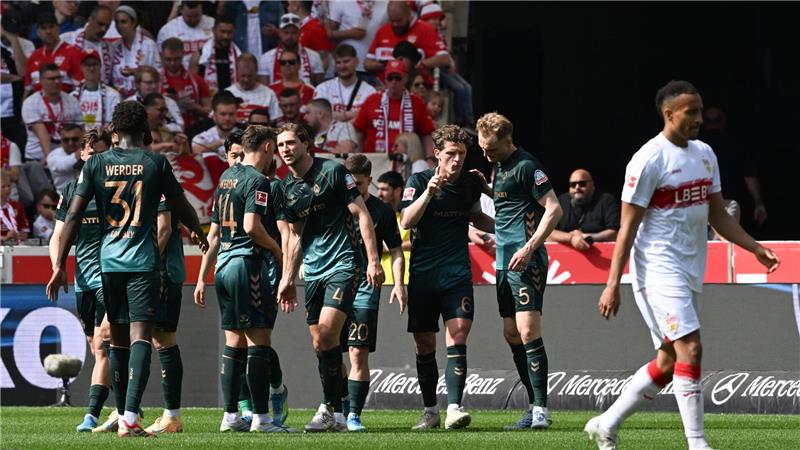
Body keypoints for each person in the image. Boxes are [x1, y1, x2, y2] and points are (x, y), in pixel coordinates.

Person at [584, 80, 780, 450]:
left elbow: (718, 215)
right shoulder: (648, 159)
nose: (699, 119)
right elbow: (627, 228)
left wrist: (754, 248)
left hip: (691, 268)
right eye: (691, 112)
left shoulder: (705, 154)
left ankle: (606, 424)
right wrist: (612, 283)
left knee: (669, 361)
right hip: (658, 269)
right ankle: (697, 443)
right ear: (668, 114)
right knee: (691, 346)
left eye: (700, 111)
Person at [46, 100, 208, 438]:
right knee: (140, 337)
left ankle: (122, 415)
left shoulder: (96, 163)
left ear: (114, 130)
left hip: (108, 261)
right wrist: (197, 230)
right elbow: (180, 205)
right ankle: (130, 419)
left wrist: (59, 264)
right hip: (142, 260)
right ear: (144, 129)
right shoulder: (155, 162)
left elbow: (73, 216)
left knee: (116, 341)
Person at [276, 123, 384, 432]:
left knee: (326, 334)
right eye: (281, 144)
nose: (285, 149)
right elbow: (295, 237)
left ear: (306, 144)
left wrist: (373, 261)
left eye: (291, 142)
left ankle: (327, 409)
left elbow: (362, 214)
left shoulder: (333, 172)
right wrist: (287, 278)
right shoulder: (286, 188)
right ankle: (339, 412)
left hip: (344, 264)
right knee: (322, 344)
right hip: (313, 271)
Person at [398, 124, 494, 430]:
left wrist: (505, 222)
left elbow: (477, 217)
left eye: (462, 154)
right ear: (437, 153)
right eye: (451, 153)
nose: (457, 160)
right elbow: (406, 221)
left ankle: (454, 407)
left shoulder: (470, 183)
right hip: (424, 275)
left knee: (459, 334)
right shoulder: (419, 181)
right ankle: (431, 410)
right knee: (425, 344)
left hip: (457, 272)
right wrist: (428, 194)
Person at [194, 125, 287, 433]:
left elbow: (215, 232)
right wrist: (276, 250)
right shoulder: (258, 180)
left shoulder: (226, 177)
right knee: (259, 341)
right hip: (247, 264)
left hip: (223, 265)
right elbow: (251, 226)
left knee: (233, 343)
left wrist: (203, 275)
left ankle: (231, 415)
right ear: (268, 147)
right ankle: (262, 418)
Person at [474, 112, 562, 429]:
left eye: (491, 149)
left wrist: (529, 248)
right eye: (483, 149)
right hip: (503, 261)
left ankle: (541, 410)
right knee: (511, 333)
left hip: (526, 260)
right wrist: (485, 188)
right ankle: (532, 404)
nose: (486, 155)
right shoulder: (498, 167)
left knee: (527, 332)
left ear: (509, 141)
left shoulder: (527, 165)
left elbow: (554, 209)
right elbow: (510, 202)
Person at [49, 127, 112, 432]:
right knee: (95, 344)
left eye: (103, 152)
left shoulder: (116, 189)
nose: (98, 157)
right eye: (93, 152)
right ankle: (126, 407)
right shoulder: (72, 190)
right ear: (83, 154)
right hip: (83, 278)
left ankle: (94, 414)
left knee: (103, 344)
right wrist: (57, 266)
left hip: (111, 275)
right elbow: (58, 235)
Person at [341, 155, 406, 431]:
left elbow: (396, 251)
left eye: (359, 184)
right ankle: (340, 406)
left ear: (369, 180)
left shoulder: (382, 211)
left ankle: (354, 415)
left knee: (357, 351)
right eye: (350, 183)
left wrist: (399, 284)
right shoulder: (336, 204)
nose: (354, 189)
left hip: (366, 284)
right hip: (336, 281)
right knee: (329, 350)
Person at [700, 106, 768, 233]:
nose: (713, 124)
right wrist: (758, 202)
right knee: (720, 244)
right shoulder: (735, 145)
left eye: (715, 120)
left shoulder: (693, 146)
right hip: (710, 205)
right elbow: (750, 177)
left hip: (712, 205)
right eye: (710, 120)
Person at [353, 60, 435, 154]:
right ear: (385, 80)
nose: (394, 82)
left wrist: (430, 158)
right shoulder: (371, 100)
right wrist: (357, 157)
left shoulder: (417, 103)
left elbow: (427, 135)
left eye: (398, 78)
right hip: (375, 160)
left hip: (407, 159)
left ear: (405, 79)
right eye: (390, 78)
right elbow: (359, 133)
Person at [364, 1, 449, 81]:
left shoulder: (426, 29)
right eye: (392, 21)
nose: (395, 24)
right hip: (384, 86)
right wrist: (380, 66)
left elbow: (444, 59)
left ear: (409, 14)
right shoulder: (383, 31)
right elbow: (367, 63)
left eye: (399, 20)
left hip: (416, 86)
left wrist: (417, 65)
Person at [22, 63, 82, 162]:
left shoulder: (72, 101)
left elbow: (80, 130)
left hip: (68, 156)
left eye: (59, 78)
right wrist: (50, 159)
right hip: (38, 157)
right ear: (41, 81)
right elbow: (41, 132)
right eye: (52, 79)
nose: (57, 82)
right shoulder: (30, 102)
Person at [548, 169, 620, 250]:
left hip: (601, 252)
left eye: (582, 184)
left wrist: (585, 237)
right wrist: (571, 238)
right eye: (573, 185)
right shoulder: (561, 201)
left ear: (592, 184)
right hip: (563, 254)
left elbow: (615, 233)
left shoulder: (606, 200)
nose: (577, 187)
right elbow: (548, 233)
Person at [313, 44, 376, 123]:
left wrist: (336, 115)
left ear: (357, 61)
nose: (342, 66)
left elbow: (370, 117)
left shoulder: (369, 91)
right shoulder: (322, 88)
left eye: (346, 61)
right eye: (338, 63)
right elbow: (317, 116)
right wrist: (354, 114)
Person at [258, 13, 324, 86]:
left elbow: (319, 87)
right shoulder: (266, 58)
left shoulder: (314, 56)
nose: (289, 37)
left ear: (299, 33)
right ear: (280, 33)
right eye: (286, 32)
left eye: (293, 33)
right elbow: (264, 89)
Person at [24, 13, 84, 93]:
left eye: (51, 26)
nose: (48, 31)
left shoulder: (74, 53)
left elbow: (81, 86)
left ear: (58, 29)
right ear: (38, 32)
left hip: (65, 99)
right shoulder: (33, 56)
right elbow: (28, 90)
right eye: (44, 28)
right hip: (38, 100)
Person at [109, 6, 160, 98]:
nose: (119, 26)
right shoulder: (114, 46)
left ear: (134, 23)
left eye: (124, 22)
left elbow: (158, 73)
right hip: (119, 98)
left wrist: (136, 72)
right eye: (117, 22)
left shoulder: (149, 45)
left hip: (144, 98)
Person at [160, 37, 211, 129]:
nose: (172, 63)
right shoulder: (156, 81)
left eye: (176, 59)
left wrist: (196, 108)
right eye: (168, 59)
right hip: (166, 131)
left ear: (183, 55)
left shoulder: (196, 80)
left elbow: (210, 112)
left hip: (193, 130)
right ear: (162, 56)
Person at [61, 5, 114, 86]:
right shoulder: (66, 39)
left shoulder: (110, 49)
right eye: (100, 24)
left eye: (107, 26)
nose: (103, 29)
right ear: (90, 19)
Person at [72, 50, 122, 131]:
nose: (91, 68)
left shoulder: (113, 95)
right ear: (81, 67)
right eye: (87, 65)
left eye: (94, 64)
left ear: (100, 66)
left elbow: (115, 124)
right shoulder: (72, 97)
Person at [192, 15, 241, 97]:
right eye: (222, 32)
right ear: (214, 30)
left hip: (233, 100)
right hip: (208, 101)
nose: (226, 36)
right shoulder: (200, 56)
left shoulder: (239, 56)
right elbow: (192, 85)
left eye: (229, 32)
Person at [226, 53, 281, 124]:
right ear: (237, 71)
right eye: (243, 76)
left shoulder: (269, 94)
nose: (246, 80)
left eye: (250, 76)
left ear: (256, 71)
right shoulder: (227, 94)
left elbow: (277, 121)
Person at [156, 1, 214, 68]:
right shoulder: (167, 30)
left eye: (197, 15)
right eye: (189, 16)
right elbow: (161, 61)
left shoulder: (213, 25)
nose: (193, 20)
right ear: (181, 10)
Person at [127, 66, 183, 134]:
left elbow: (181, 126)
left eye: (156, 82)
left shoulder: (169, 102)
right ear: (137, 84)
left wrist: (160, 128)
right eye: (149, 83)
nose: (154, 86)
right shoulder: (128, 104)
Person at [46, 123, 84, 193]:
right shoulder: (53, 156)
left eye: (75, 139)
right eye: (66, 140)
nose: (70, 143)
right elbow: (67, 165)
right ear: (61, 141)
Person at [0, 170, 29, 244]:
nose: (7, 189)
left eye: (9, 186)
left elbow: (25, 233)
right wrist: (6, 238)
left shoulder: (17, 206)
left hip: (16, 246)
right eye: (3, 187)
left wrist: (17, 236)